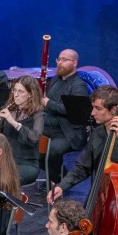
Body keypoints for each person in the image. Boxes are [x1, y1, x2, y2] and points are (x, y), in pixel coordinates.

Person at [48, 85, 118, 204]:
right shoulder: (97, 133)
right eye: (93, 108)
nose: (92, 113)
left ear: (114, 110)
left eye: (98, 109)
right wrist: (61, 186)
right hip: (99, 195)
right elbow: (83, 168)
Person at [40, 48, 90, 185]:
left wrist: (48, 103)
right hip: (50, 126)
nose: (60, 63)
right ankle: (60, 176)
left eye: (65, 60)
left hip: (67, 132)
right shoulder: (56, 79)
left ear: (74, 63)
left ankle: (57, 183)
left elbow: (75, 111)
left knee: (53, 151)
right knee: (33, 146)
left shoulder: (78, 85)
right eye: (59, 59)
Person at [0, 76, 45, 184]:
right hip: (5, 161)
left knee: (1, 179)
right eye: (14, 90)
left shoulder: (38, 113)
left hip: (27, 164)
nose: (16, 95)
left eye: (20, 91)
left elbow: (34, 138)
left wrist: (13, 122)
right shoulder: (9, 109)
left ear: (30, 94)